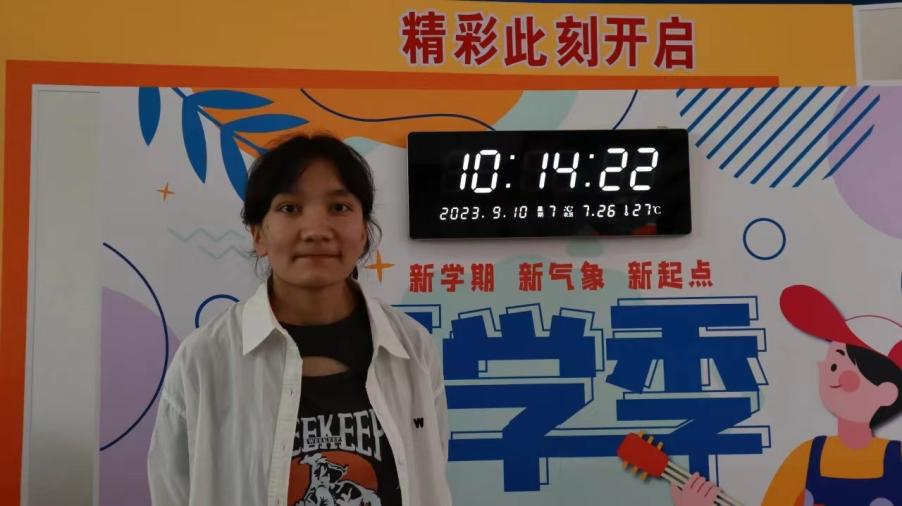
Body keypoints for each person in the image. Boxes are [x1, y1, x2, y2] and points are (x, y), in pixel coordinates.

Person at [148, 133, 453, 506]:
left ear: (363, 232)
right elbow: (172, 490)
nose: (316, 230)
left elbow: (430, 474)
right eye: (290, 208)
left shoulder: (412, 347)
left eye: (339, 207)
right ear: (258, 234)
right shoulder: (204, 359)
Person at [669, 284, 902, 506]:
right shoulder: (807, 457)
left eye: (841, 369)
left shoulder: (897, 458)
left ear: (887, 393)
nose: (827, 373)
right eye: (831, 365)